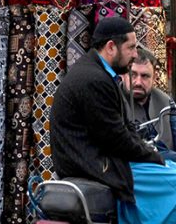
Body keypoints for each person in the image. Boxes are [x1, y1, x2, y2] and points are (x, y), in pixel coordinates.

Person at [50, 17, 176, 223]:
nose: (135, 54)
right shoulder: (94, 80)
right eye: (131, 47)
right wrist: (155, 157)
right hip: (95, 166)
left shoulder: (96, 73)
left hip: (97, 160)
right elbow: (116, 138)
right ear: (111, 47)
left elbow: (119, 132)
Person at [121, 48, 176, 153]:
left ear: (154, 77)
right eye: (133, 75)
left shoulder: (166, 102)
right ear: (123, 75)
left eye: (145, 76)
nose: (138, 82)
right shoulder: (111, 101)